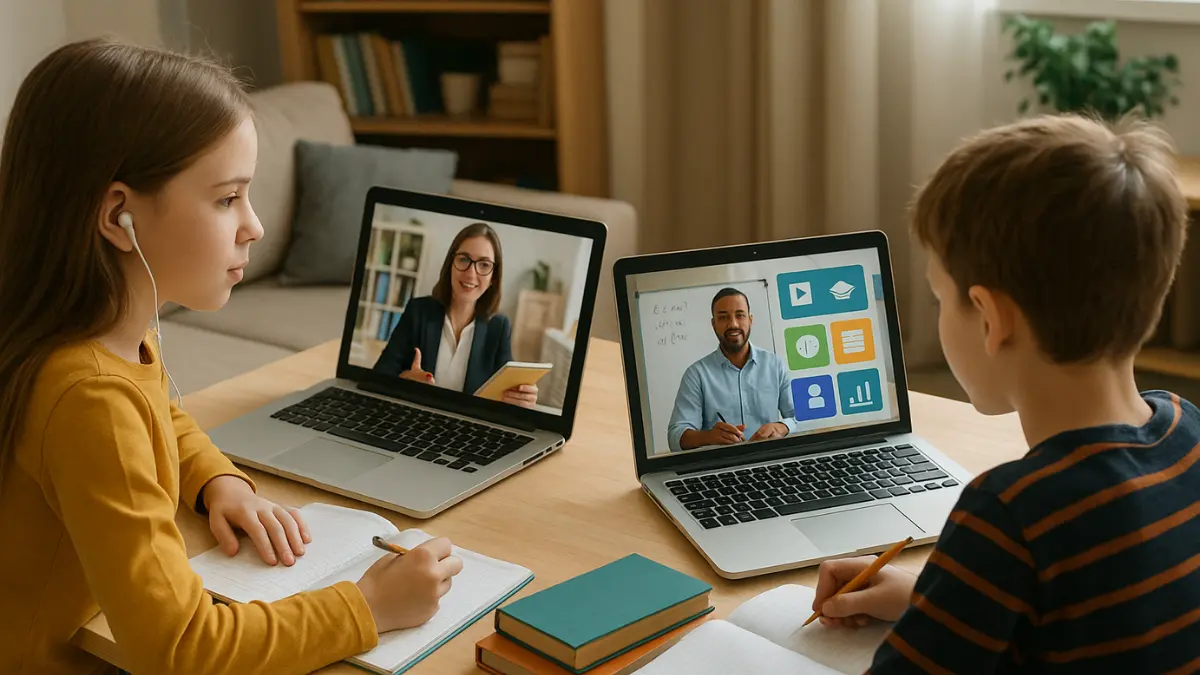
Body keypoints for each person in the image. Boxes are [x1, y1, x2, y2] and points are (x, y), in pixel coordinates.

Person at [0, 39, 463, 675]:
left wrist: (215, 481)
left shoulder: (104, 333)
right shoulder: (88, 396)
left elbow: (163, 413)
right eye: (226, 199)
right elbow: (179, 649)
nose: (256, 226)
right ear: (120, 217)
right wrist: (368, 606)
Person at [809, 113, 1200, 673]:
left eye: (941, 298)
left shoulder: (1010, 518)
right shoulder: (1187, 431)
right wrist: (943, 597)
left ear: (991, 319)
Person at [373, 222, 538, 408]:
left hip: (467, 429)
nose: (471, 273)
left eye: (484, 264)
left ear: (493, 277)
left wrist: (521, 397)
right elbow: (378, 377)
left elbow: (507, 392)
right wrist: (405, 379)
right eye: (464, 259)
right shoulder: (418, 311)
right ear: (451, 263)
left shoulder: (499, 326)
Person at [667, 288, 798, 452]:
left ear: (750, 319)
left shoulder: (775, 365)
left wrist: (781, 427)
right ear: (713, 324)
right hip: (720, 465)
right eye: (723, 317)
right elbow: (675, 437)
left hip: (770, 459)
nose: (733, 324)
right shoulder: (696, 374)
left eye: (740, 315)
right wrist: (708, 437)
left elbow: (796, 417)